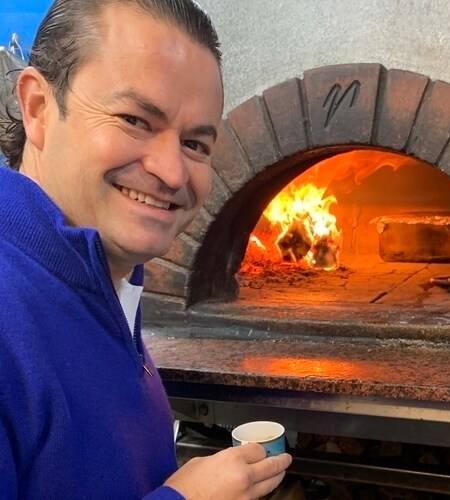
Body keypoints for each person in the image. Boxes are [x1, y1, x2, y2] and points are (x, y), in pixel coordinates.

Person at [0, 0, 292, 498]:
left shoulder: (102, 274)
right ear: (38, 108)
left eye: (196, 144)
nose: (173, 173)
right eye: (135, 119)